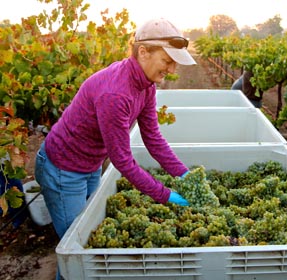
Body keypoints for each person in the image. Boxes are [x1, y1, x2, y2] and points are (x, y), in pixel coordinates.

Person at [34, 18, 196, 279]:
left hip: (89, 165)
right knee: (78, 253)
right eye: (167, 60)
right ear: (143, 52)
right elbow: (122, 161)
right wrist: (165, 195)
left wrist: (184, 174)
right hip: (63, 169)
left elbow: (153, 137)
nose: (172, 68)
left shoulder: (145, 85)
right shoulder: (116, 94)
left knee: (89, 236)